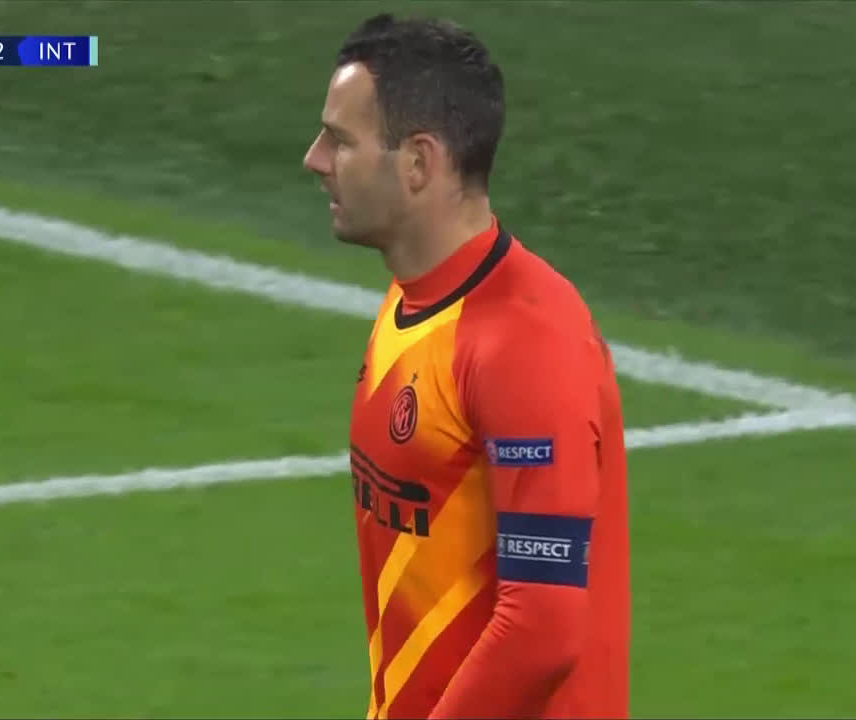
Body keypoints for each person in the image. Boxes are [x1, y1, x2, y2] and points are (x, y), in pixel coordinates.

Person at [302, 13, 631, 720]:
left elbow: (542, 629)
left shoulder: (526, 342)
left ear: (419, 162)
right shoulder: (414, 298)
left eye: (340, 140)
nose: (315, 159)